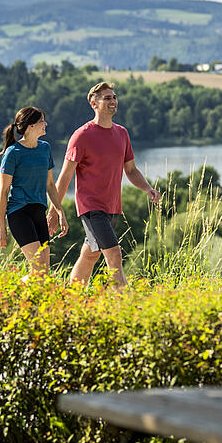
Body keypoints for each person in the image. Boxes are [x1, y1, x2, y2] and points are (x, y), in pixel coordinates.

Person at [54, 81, 160, 288]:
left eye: (114, 97)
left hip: (112, 206)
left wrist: (147, 188)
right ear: (94, 104)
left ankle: (70, 298)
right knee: (114, 255)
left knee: (90, 254)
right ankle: (124, 305)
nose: (113, 101)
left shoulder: (122, 133)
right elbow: (65, 176)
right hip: (91, 207)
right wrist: (55, 210)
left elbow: (130, 170)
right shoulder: (82, 135)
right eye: (107, 98)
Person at [0, 106, 68, 273]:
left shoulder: (45, 148)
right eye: (42, 120)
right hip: (19, 213)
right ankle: (7, 295)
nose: (45, 123)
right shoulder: (13, 153)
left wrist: (60, 212)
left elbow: (50, 185)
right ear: (30, 126)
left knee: (43, 273)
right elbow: (4, 191)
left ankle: (14, 296)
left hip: (38, 212)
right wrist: (0, 226)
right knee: (38, 270)